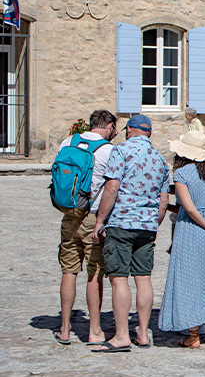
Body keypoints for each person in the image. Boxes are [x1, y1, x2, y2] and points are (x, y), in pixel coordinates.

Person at [91, 114, 170, 353]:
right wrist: (153, 223)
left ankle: (122, 336)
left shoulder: (121, 151)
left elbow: (111, 187)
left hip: (121, 223)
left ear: (129, 130)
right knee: (143, 277)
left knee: (119, 278)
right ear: (149, 133)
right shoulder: (160, 159)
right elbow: (163, 201)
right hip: (147, 226)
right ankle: (143, 333)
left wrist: (100, 220)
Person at [158, 131, 205, 348]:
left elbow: (188, 208)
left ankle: (193, 335)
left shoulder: (181, 174)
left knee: (189, 280)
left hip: (190, 230)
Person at [54, 110, 117, 345]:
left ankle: (64, 328)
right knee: (94, 273)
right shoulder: (108, 150)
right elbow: (112, 187)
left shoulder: (68, 142)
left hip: (70, 214)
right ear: (109, 126)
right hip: (93, 217)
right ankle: (94, 330)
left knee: (69, 271)